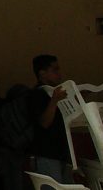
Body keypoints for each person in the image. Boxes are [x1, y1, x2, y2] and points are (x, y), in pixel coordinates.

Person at [28, 54, 71, 183]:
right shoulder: (38, 95)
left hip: (60, 154)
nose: (59, 74)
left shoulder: (52, 93)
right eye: (55, 70)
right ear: (42, 73)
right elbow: (44, 123)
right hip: (46, 155)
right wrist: (54, 101)